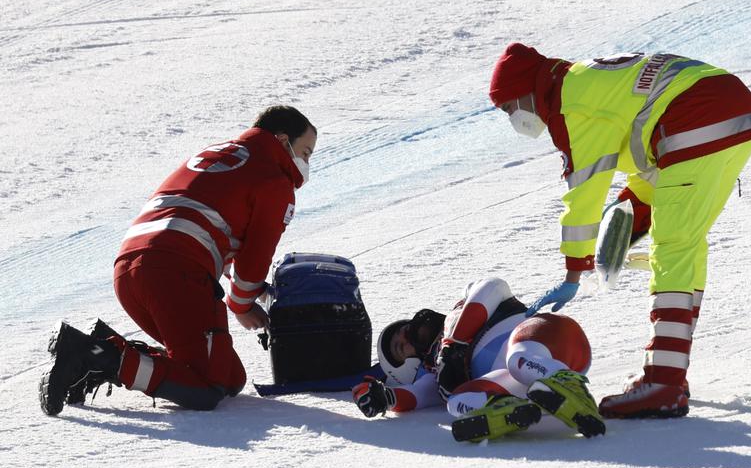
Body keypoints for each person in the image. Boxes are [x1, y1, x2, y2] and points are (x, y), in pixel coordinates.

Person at [487, 44, 751, 417]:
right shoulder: (582, 82)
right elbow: (651, 157)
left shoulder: (570, 105)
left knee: (673, 248)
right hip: (732, 113)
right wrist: (626, 219)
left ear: (526, 92)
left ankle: (663, 383)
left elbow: (584, 190)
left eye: (509, 107)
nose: (512, 117)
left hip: (696, 118)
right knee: (685, 245)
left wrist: (575, 268)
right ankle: (670, 374)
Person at [39, 105, 316, 415]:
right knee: (207, 387)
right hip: (174, 274)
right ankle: (97, 357)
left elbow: (208, 226)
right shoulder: (274, 180)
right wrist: (242, 305)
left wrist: (244, 292)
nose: (306, 164)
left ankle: (98, 351)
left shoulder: (218, 153)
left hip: (130, 269)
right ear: (281, 141)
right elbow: (255, 260)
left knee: (229, 377)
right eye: (305, 152)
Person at [351, 277, 603, 442]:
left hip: (549, 336)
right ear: (406, 368)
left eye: (403, 329)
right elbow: (416, 396)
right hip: (524, 379)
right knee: (457, 402)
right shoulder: (436, 375)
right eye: (399, 347)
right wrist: (385, 398)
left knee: (519, 360)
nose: (407, 334)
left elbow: (493, 286)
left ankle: (567, 387)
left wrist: (454, 344)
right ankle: (512, 410)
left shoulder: (459, 312)